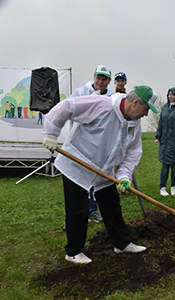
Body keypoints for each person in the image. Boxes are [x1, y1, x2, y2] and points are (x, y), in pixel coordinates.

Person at [42, 85, 159, 264]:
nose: (146, 115)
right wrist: (51, 133)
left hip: (103, 170)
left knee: (112, 205)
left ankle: (122, 243)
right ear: (135, 102)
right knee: (78, 209)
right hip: (77, 163)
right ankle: (73, 251)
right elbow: (68, 107)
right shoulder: (102, 105)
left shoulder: (134, 124)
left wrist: (124, 176)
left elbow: (133, 152)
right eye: (145, 110)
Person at [70, 65, 114, 223]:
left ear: (109, 81)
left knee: (96, 178)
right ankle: (77, 215)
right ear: (94, 77)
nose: (100, 82)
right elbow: (69, 110)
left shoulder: (112, 96)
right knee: (79, 181)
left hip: (100, 143)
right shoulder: (81, 92)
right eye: (98, 78)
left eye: (104, 79)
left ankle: (92, 210)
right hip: (81, 142)